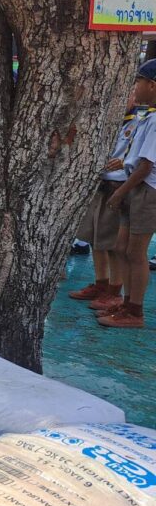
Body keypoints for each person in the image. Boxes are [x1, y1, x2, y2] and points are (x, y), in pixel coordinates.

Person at [69, 91, 151, 311]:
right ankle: (101, 282)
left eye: (127, 95)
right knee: (95, 237)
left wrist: (124, 163)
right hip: (101, 182)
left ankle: (115, 291)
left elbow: (142, 158)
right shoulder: (106, 120)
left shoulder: (140, 122)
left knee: (114, 244)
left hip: (120, 185)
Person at [99, 60, 156, 328]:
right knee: (123, 248)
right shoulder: (149, 117)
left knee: (136, 252)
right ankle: (126, 301)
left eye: (138, 82)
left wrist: (120, 192)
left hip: (147, 190)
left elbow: (145, 166)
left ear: (152, 85)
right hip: (137, 188)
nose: (135, 88)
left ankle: (135, 311)